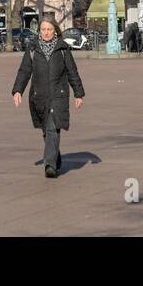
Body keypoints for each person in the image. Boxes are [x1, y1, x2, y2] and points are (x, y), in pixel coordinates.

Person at [11, 16, 86, 178]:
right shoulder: (32, 48)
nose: (46, 33)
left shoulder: (62, 48)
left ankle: (50, 165)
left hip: (58, 95)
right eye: (43, 29)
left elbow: (72, 72)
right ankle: (55, 157)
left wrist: (78, 94)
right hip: (39, 95)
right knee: (47, 130)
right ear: (39, 31)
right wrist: (18, 91)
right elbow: (24, 71)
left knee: (53, 127)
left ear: (55, 31)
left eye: (49, 29)